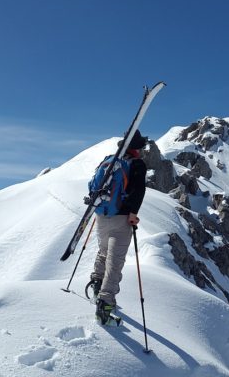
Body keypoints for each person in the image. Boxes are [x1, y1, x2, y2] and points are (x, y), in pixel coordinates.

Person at [89, 130, 147, 324]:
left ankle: (97, 284)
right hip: (121, 219)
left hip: (102, 214)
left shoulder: (111, 161)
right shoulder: (137, 163)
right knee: (115, 262)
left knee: (103, 251)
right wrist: (133, 214)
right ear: (136, 147)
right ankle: (105, 306)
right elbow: (138, 191)